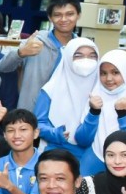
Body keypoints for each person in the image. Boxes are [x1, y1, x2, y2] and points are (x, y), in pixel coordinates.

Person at [34, 37, 103, 175]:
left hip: (95, 153)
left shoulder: (103, 88)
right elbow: (37, 124)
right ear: (68, 57)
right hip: (57, 151)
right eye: (78, 56)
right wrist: (55, 134)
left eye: (92, 56)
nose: (86, 60)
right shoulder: (50, 89)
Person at [0, 0, 81, 111]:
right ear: (50, 18)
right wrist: (21, 53)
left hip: (65, 112)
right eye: (57, 15)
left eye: (69, 14)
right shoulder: (35, 41)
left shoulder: (82, 48)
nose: (64, 19)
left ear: (78, 15)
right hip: (31, 112)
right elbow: (3, 67)